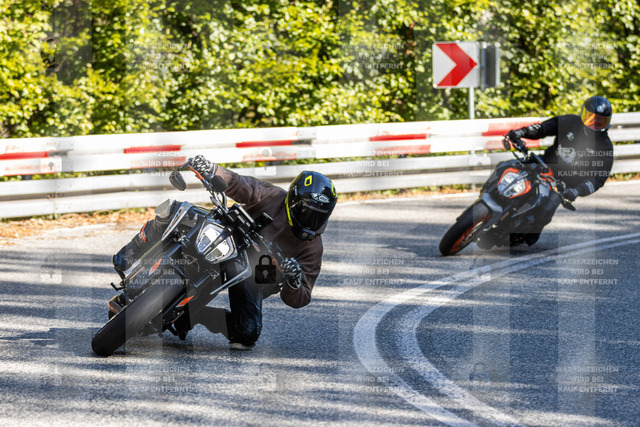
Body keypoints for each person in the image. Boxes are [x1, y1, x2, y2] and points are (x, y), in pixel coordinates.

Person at [111, 155, 337, 350]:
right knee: (177, 210)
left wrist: (294, 281)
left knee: (247, 332)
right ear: (293, 199)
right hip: (228, 234)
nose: (311, 219)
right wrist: (211, 169)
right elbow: (239, 183)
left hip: (253, 273)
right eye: (307, 211)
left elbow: (301, 297)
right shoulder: (272, 196)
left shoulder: (312, 247)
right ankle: (129, 253)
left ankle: (193, 315)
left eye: (319, 215)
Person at [503, 95, 614, 246]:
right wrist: (521, 132)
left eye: (600, 122)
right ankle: (487, 193)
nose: (594, 125)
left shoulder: (605, 147)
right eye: (591, 119)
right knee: (508, 165)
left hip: (564, 183)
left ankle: (533, 229)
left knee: (546, 208)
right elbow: (542, 129)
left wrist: (577, 191)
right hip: (544, 164)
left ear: (607, 123)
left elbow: (598, 178)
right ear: (583, 115)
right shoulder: (569, 121)